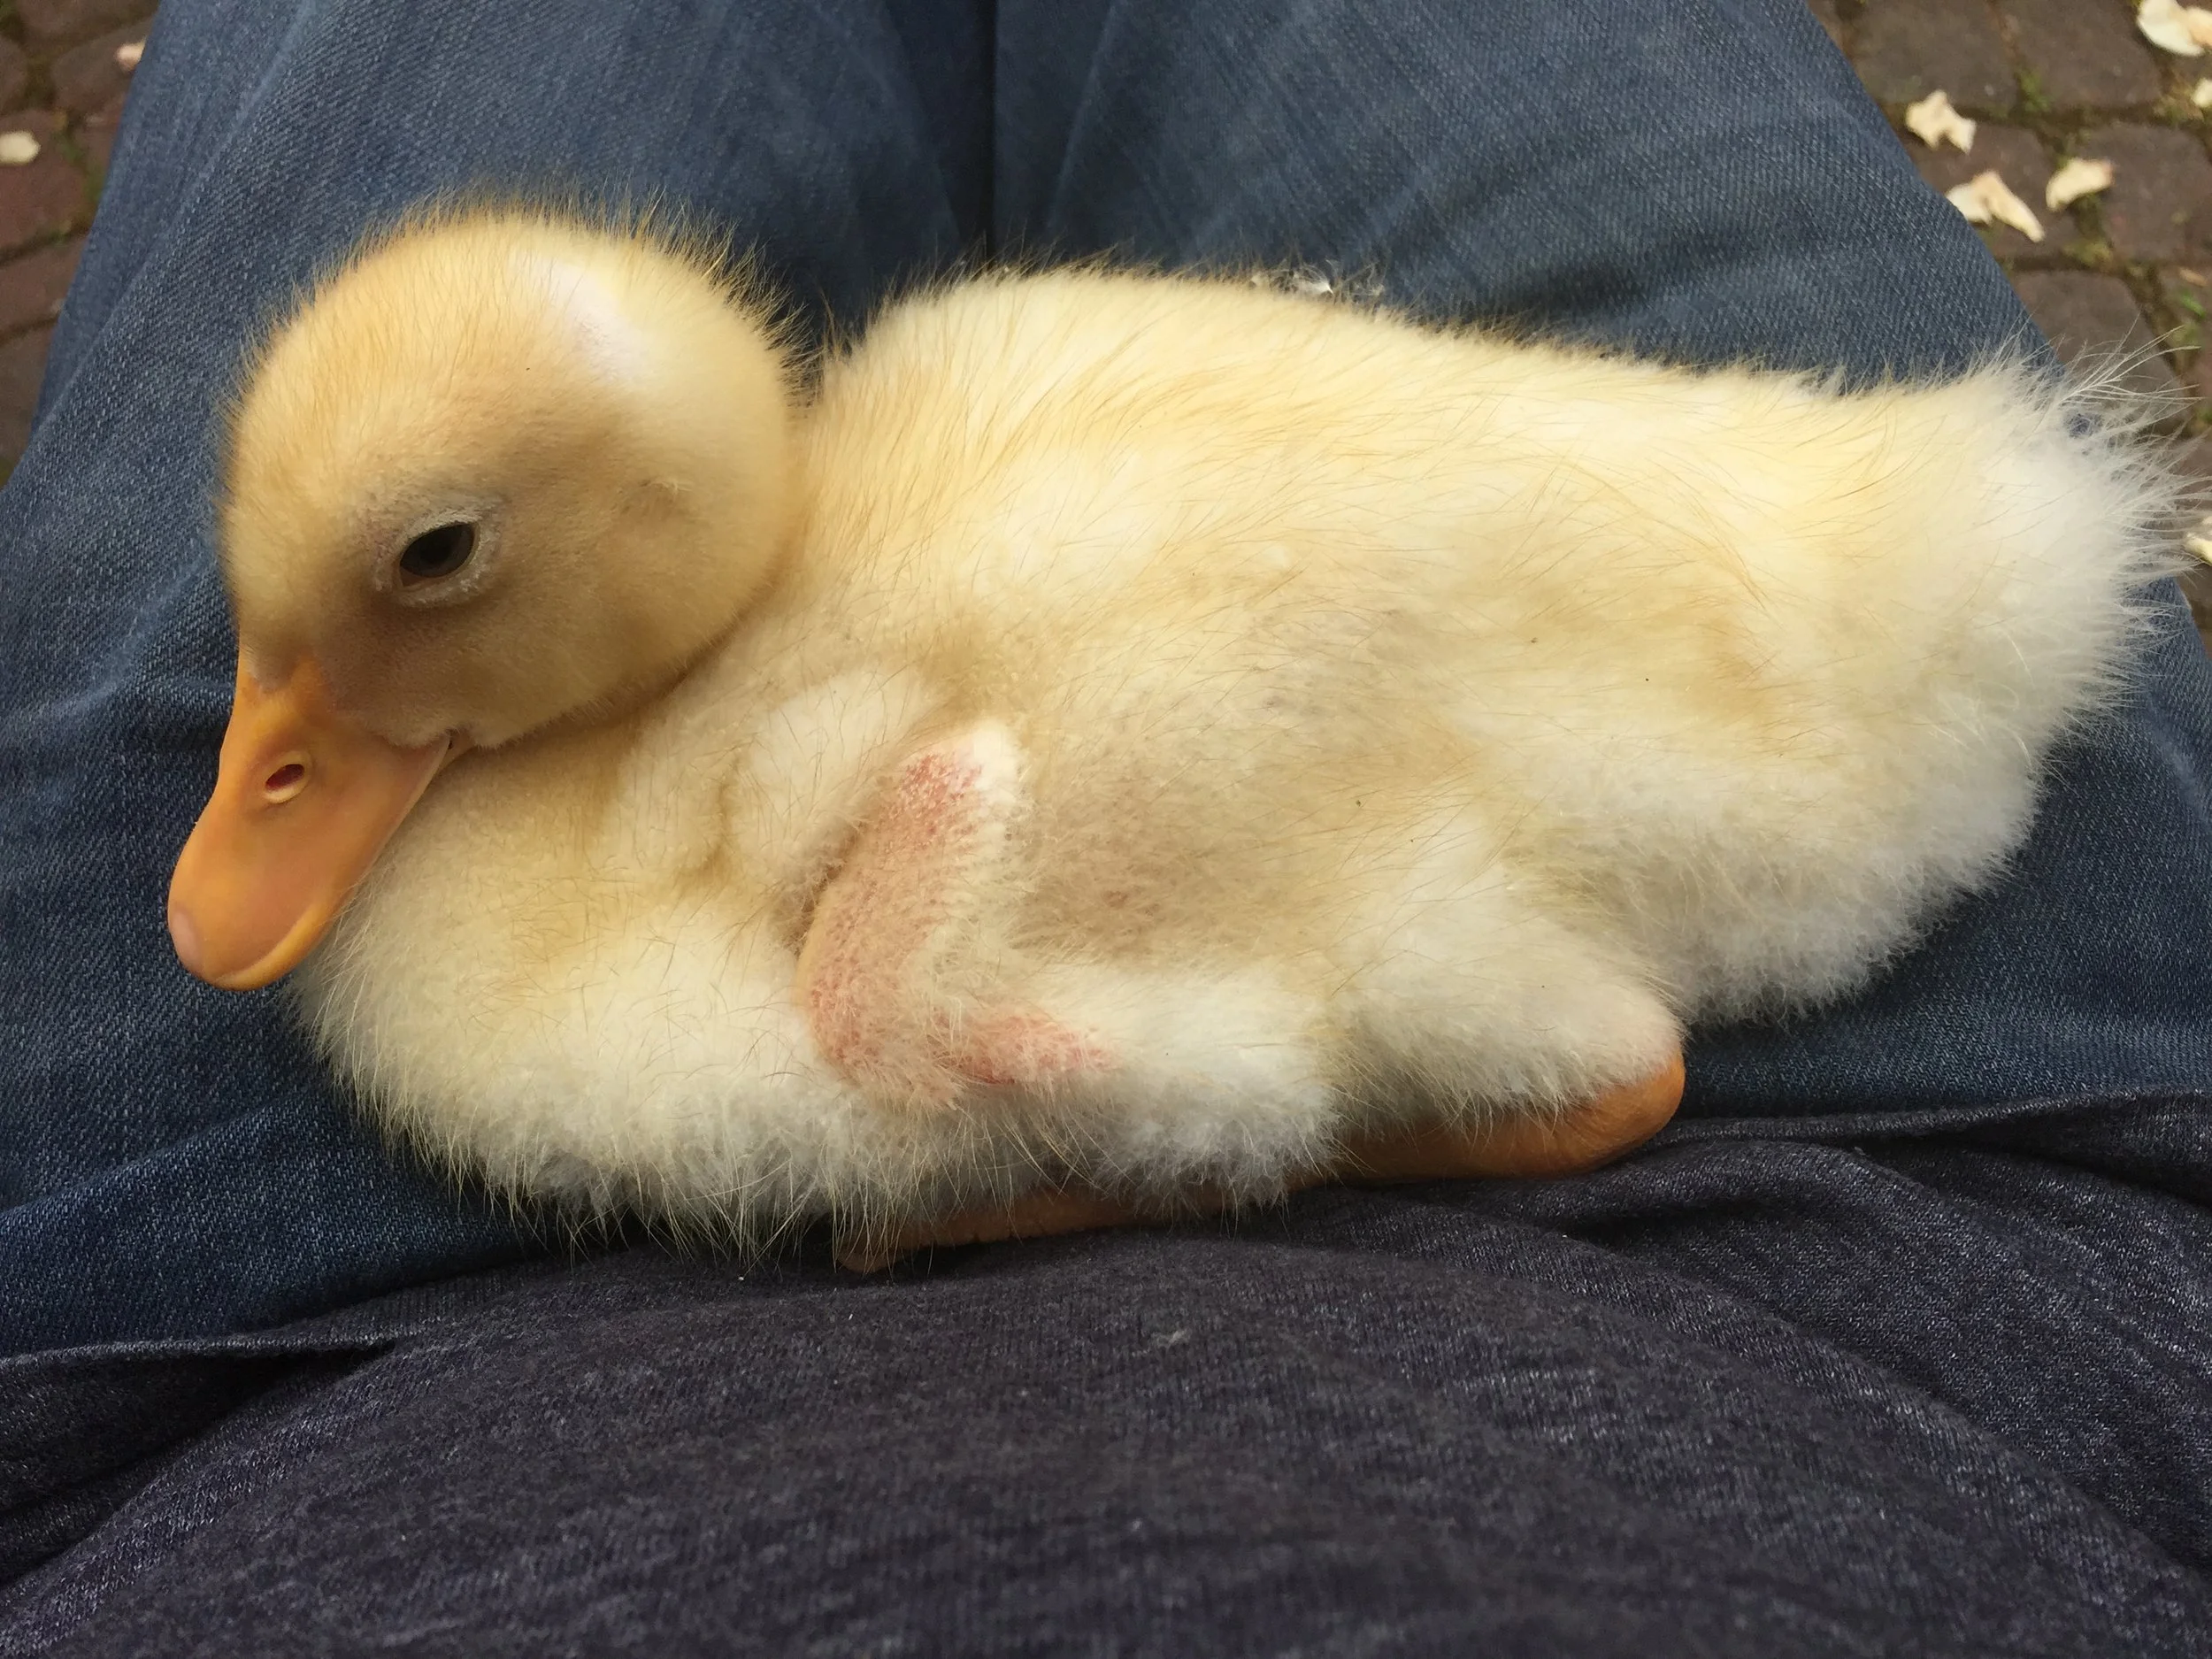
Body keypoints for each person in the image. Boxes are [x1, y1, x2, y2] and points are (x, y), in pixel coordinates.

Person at [3, 0, 2208, 1650]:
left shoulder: (627, 913)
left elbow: (1541, 1007)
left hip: (207, 1408)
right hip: (1930, 1269)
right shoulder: (877, 481)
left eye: (419, 578)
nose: (257, 752)